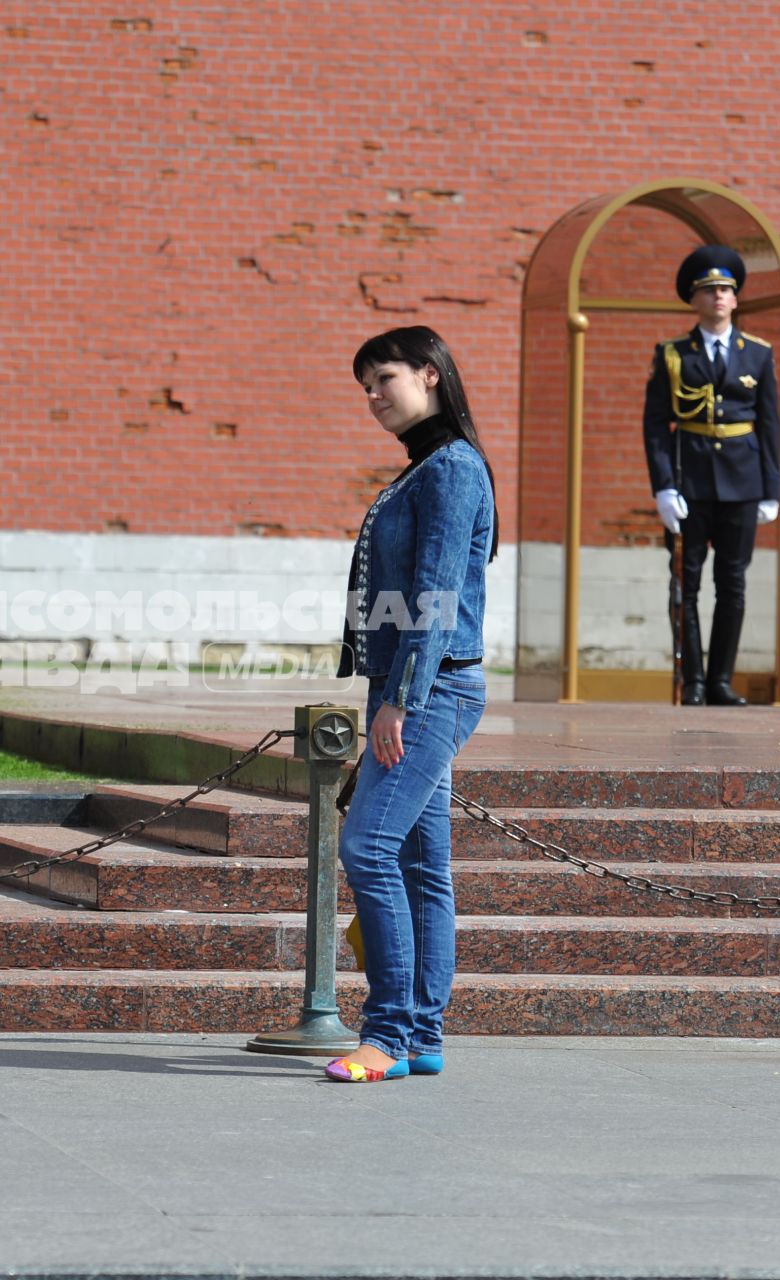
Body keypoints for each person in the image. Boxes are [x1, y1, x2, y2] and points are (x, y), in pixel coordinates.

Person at [328, 325, 497, 1083]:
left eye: (383, 379)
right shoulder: (426, 468)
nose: (372, 396)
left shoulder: (451, 469)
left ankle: (388, 1034)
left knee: (366, 847)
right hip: (409, 686)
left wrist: (399, 702)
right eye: (364, 384)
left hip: (428, 688)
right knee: (425, 862)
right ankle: (422, 1036)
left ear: (430, 376)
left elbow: (434, 597)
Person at [643, 244, 780, 706]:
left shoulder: (757, 355)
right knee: (687, 584)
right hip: (691, 483)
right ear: (694, 299)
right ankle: (694, 682)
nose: (719, 296)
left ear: (736, 299)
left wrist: (771, 489)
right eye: (710, 290)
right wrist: (663, 486)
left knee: (733, 584)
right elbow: (656, 427)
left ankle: (721, 680)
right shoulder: (672, 354)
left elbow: (769, 425)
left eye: (726, 289)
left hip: (742, 485)